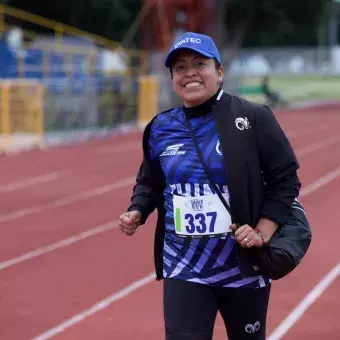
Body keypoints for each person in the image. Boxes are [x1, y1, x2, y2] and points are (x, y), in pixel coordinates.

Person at [118, 32, 301, 340]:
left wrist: (263, 231)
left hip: (241, 265)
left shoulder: (252, 117)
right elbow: (149, 180)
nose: (189, 72)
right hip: (184, 262)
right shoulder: (161, 127)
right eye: (180, 67)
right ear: (173, 78)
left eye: (199, 64)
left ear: (219, 72)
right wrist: (137, 209)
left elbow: (286, 180)